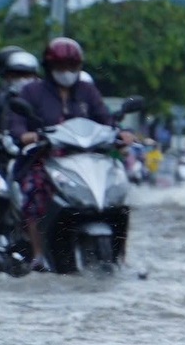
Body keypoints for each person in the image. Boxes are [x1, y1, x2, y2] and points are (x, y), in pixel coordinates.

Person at [7, 37, 120, 271]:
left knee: (115, 189)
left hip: (86, 157)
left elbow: (105, 119)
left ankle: (121, 256)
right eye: (61, 67)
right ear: (49, 68)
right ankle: (38, 254)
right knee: (35, 192)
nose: (67, 72)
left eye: (72, 67)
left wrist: (121, 134)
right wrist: (27, 135)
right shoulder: (32, 92)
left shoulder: (88, 91)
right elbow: (17, 125)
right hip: (45, 158)